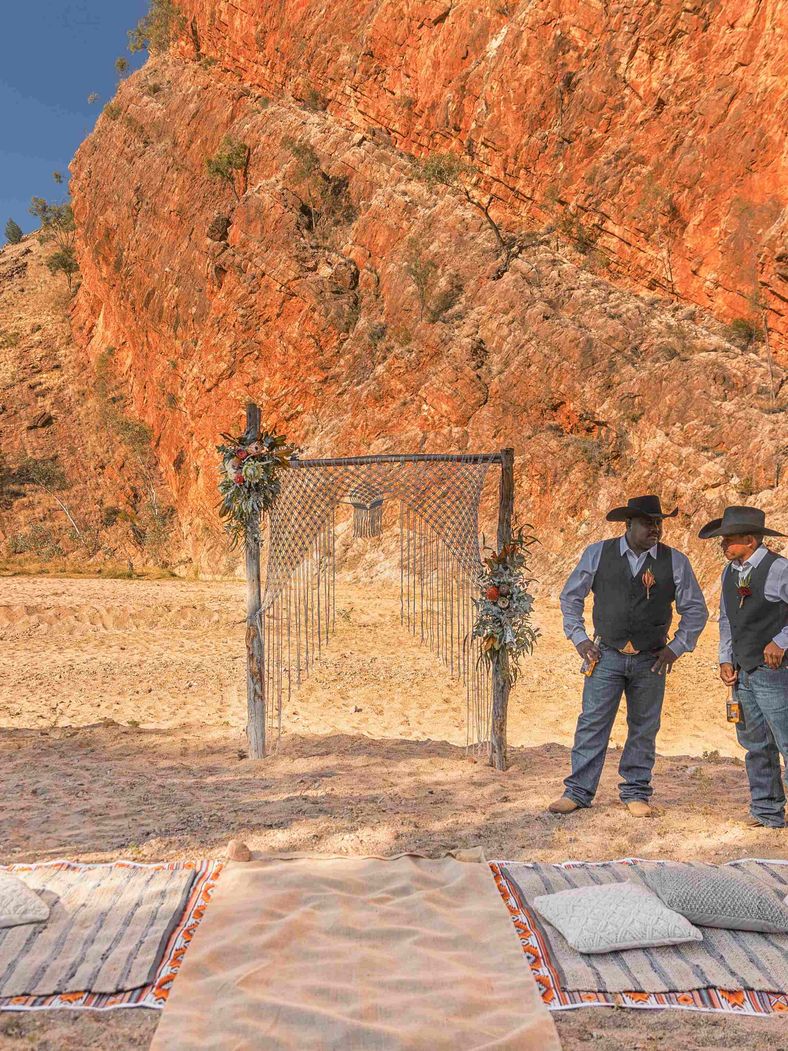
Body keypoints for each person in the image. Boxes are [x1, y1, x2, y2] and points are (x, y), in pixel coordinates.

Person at [549, 495, 708, 818]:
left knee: (644, 726)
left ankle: (636, 792)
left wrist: (675, 648)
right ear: (629, 525)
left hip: (651, 658)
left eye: (659, 523)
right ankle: (578, 791)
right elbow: (570, 598)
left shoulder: (675, 561)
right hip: (605, 653)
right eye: (649, 523)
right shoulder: (598, 553)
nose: (655, 529)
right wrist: (579, 639)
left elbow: (695, 610)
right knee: (593, 722)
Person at [698, 505, 788, 829]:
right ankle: (767, 811)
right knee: (755, 744)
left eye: (729, 539)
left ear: (750, 540)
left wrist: (781, 640)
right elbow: (726, 619)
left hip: (776, 673)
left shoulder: (779, 570)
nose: (723, 545)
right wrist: (725, 657)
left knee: (787, 742)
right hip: (744, 671)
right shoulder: (729, 573)